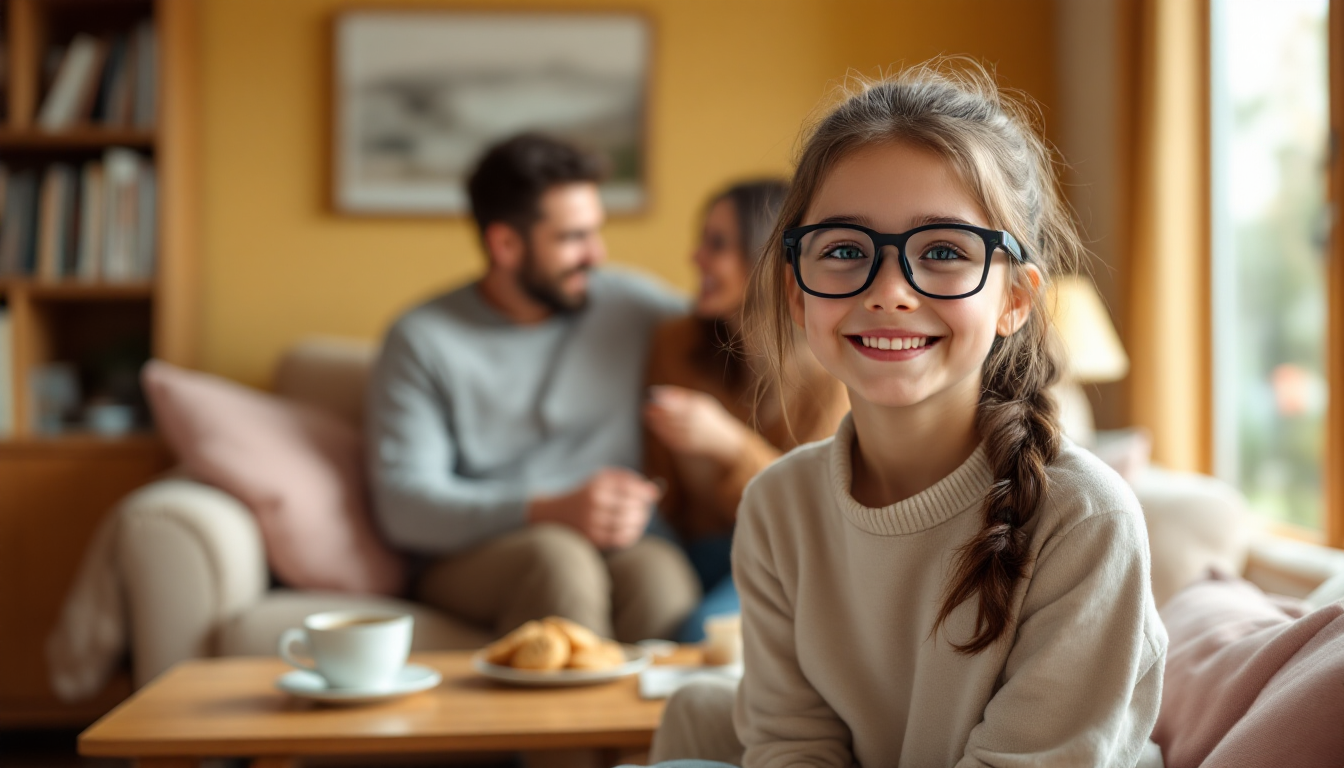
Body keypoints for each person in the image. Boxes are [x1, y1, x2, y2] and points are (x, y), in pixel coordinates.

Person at [646, 61, 1167, 767]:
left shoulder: (1086, 520)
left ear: (1014, 299)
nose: (890, 290)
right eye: (845, 251)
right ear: (798, 296)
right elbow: (793, 748)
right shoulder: (778, 505)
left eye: (945, 251)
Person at [367, 133, 700, 644]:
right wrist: (545, 509)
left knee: (660, 573)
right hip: (483, 551)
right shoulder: (422, 339)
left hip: (621, 540)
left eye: (597, 232)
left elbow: (735, 337)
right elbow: (407, 505)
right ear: (505, 245)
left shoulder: (628, 305)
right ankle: (566, 725)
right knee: (557, 559)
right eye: (572, 238)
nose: (597, 254)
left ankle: (657, 728)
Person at [642, 180, 848, 642]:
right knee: (645, 599)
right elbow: (665, 493)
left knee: (702, 631)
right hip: (693, 546)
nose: (696, 259)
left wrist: (731, 445)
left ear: (767, 256)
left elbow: (816, 517)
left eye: (717, 245)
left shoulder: (830, 372)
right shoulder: (676, 345)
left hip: (787, 553)